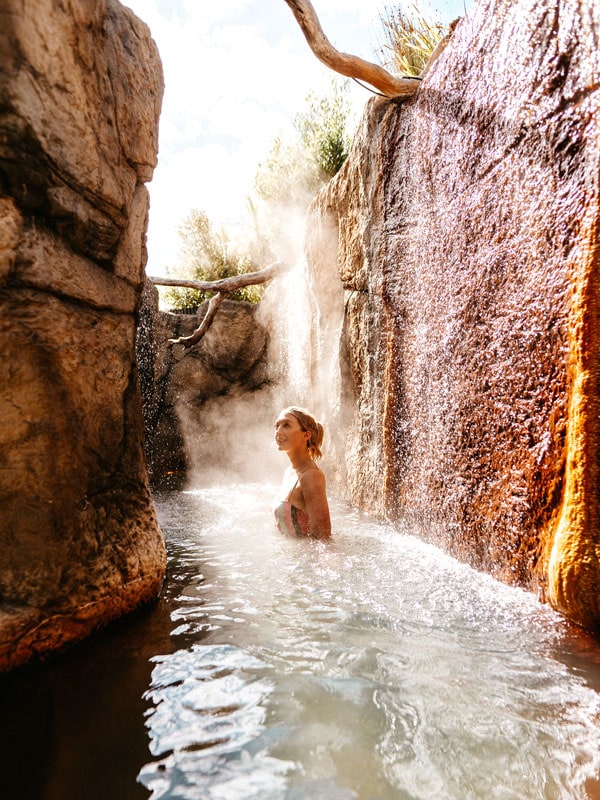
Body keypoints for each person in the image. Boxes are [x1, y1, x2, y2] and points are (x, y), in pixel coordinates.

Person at [273, 406, 331, 539]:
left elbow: (323, 539)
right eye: (277, 426)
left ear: (306, 435)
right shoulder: (289, 472)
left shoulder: (311, 476)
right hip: (288, 557)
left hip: (303, 559)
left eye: (286, 425)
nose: (278, 431)